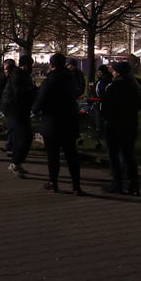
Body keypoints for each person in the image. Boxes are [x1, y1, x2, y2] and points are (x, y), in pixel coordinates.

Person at [101, 61, 141, 196]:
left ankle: (117, 183)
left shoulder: (114, 87)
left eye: (114, 71)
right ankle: (133, 184)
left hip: (114, 124)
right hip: (130, 124)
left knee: (114, 154)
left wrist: (105, 120)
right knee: (129, 154)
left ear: (118, 72)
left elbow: (106, 107)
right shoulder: (136, 87)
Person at [34, 53, 83, 195]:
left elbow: (41, 100)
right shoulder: (71, 79)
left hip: (53, 121)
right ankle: (76, 186)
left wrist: (35, 109)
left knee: (53, 155)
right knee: (71, 154)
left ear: (51, 65)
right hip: (69, 120)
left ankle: (53, 183)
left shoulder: (50, 80)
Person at [1, 55, 35, 178]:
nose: (32, 67)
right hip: (15, 111)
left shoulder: (21, 75)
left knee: (24, 137)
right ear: (25, 65)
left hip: (17, 110)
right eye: (30, 65)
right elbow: (20, 93)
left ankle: (17, 163)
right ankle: (15, 164)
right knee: (24, 137)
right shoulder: (18, 76)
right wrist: (34, 92)